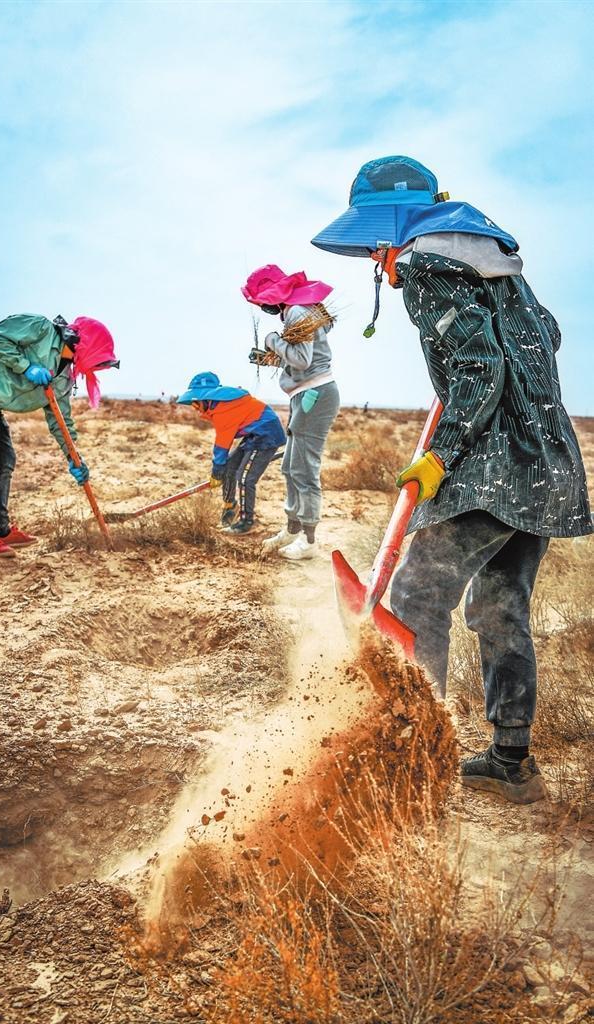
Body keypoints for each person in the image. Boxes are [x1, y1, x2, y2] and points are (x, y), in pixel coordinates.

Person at [312, 155, 592, 803]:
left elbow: (478, 369)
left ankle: (414, 760)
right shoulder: (493, 260)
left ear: (393, 229)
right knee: (500, 602)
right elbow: (545, 333)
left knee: (416, 595)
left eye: (377, 246)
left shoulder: (428, 267)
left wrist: (442, 454)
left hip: (495, 465)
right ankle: (511, 761)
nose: (379, 261)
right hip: (547, 462)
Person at [0, 314, 119, 558]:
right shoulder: (41, 329)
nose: (97, 368)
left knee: (5, 461)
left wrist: (74, 457)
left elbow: (60, 420)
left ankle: (0, 530)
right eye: (99, 362)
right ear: (87, 346)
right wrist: (26, 366)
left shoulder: (64, 378)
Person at [241, 265, 340, 560]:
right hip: (306, 394)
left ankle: (308, 540)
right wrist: (270, 358)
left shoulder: (297, 312)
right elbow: (300, 360)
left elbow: (302, 359)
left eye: (261, 301)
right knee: (290, 466)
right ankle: (292, 529)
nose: (262, 307)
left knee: (303, 468)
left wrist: (272, 340)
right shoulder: (299, 309)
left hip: (315, 395)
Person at [177, 372, 286, 534]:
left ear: (206, 398)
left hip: (266, 435)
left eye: (196, 403)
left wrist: (216, 470)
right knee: (229, 466)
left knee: (245, 479)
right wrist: (221, 468)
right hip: (253, 435)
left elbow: (222, 443)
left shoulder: (223, 409)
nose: (195, 408)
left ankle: (246, 522)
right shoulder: (221, 403)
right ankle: (230, 506)